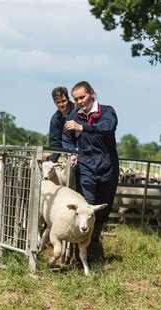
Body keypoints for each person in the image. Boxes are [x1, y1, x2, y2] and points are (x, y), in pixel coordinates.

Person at [62, 81, 119, 261]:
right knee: (87, 207)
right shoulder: (73, 116)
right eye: (76, 99)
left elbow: (108, 128)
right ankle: (81, 253)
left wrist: (83, 127)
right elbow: (66, 137)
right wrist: (72, 152)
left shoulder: (107, 111)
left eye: (82, 97)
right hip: (86, 165)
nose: (79, 101)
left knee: (102, 209)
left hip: (107, 165)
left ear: (92, 94)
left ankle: (94, 243)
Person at [48, 86, 74, 163]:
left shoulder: (79, 111)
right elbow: (55, 143)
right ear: (54, 103)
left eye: (63, 101)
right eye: (58, 102)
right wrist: (51, 162)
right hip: (70, 156)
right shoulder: (55, 120)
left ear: (68, 99)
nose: (61, 104)